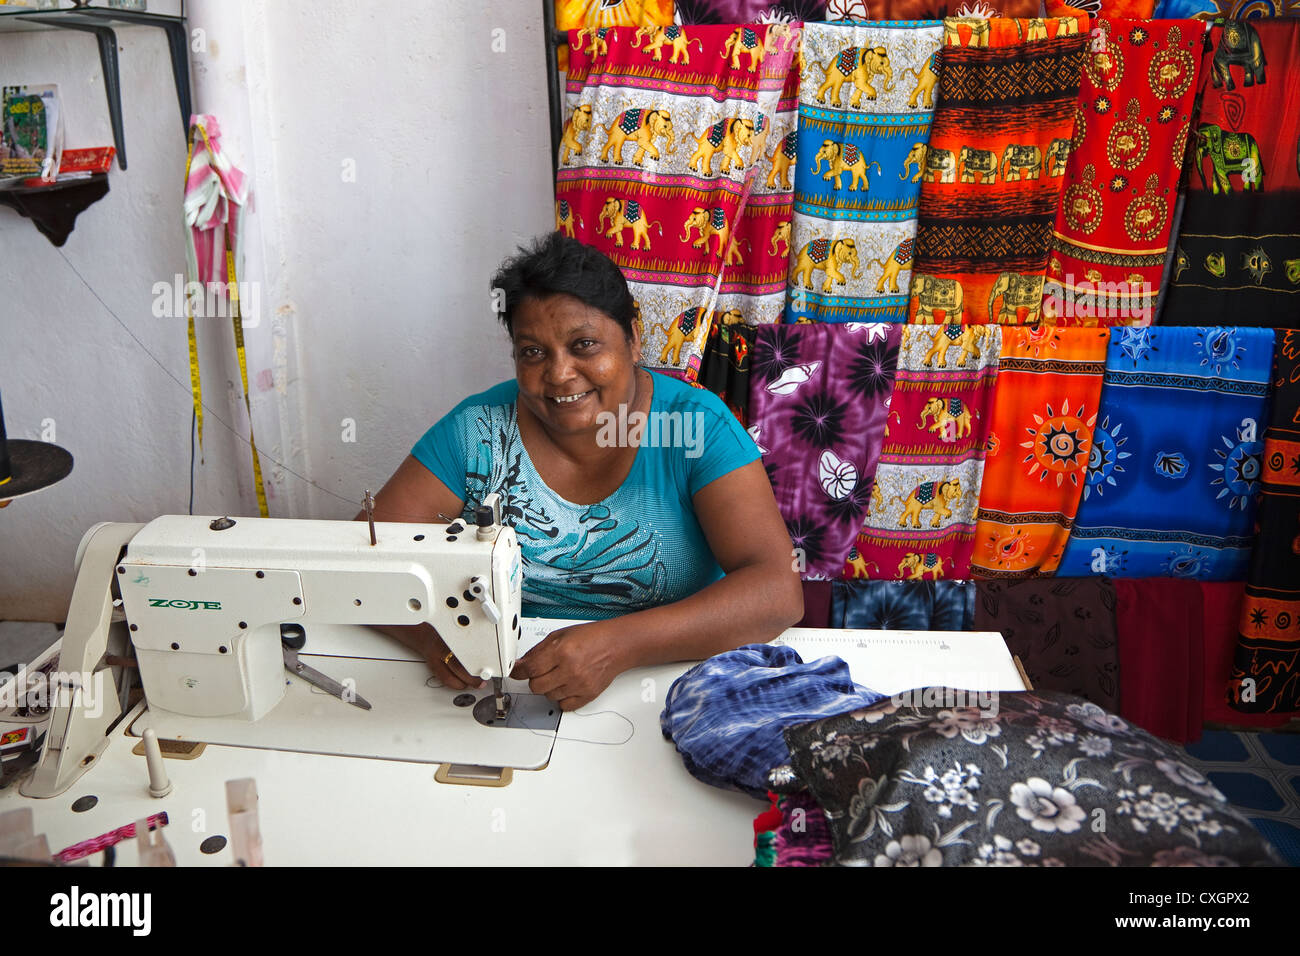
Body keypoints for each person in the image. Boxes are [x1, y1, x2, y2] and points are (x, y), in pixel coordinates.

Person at [365, 233, 802, 710]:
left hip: (671, 678)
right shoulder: (478, 433)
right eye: (533, 352)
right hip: (516, 675)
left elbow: (776, 592)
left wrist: (618, 645)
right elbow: (366, 562)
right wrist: (431, 637)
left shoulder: (692, 429)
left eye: (585, 345)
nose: (559, 373)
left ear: (633, 339)